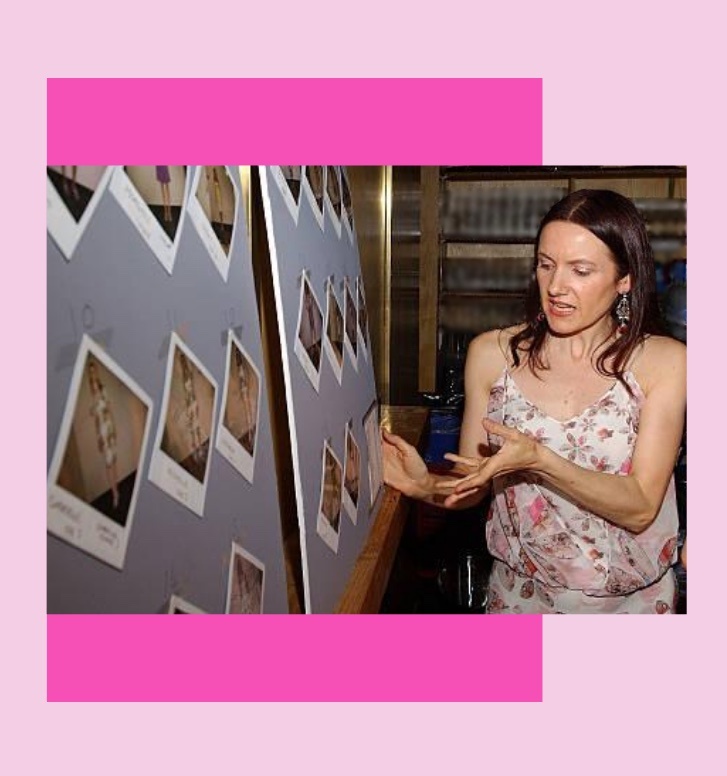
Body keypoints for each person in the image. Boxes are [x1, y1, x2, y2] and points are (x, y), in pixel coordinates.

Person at [382, 189, 686, 614]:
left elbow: (640, 506)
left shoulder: (663, 362)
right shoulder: (492, 356)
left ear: (625, 279)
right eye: (546, 265)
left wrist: (541, 460)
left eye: (580, 270)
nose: (556, 287)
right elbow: (473, 482)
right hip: (521, 600)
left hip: (633, 606)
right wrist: (426, 485)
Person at [87, 358, 121, 510]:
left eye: (94, 371)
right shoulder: (92, 393)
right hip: (101, 431)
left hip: (109, 428)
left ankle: (117, 490)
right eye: (90, 372)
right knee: (108, 464)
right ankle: (114, 494)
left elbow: (110, 410)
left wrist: (114, 429)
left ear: (97, 372)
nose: (93, 374)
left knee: (113, 461)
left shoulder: (103, 389)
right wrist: (98, 437)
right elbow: (95, 418)